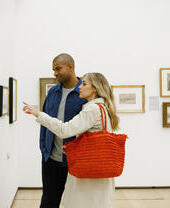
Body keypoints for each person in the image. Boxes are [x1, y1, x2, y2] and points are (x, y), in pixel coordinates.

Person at [23, 72, 119, 208]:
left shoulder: (92, 109)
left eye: (84, 84)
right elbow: (92, 139)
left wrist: (38, 114)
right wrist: (75, 148)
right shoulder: (102, 108)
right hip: (98, 172)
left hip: (89, 174)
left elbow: (64, 130)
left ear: (95, 89)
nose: (80, 87)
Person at [35, 53, 87, 208]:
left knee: (76, 202)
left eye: (58, 68)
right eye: (53, 69)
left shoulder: (84, 93)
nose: (55, 73)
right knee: (49, 200)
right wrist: (44, 148)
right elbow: (45, 121)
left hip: (75, 160)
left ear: (71, 66)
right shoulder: (53, 92)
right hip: (50, 159)